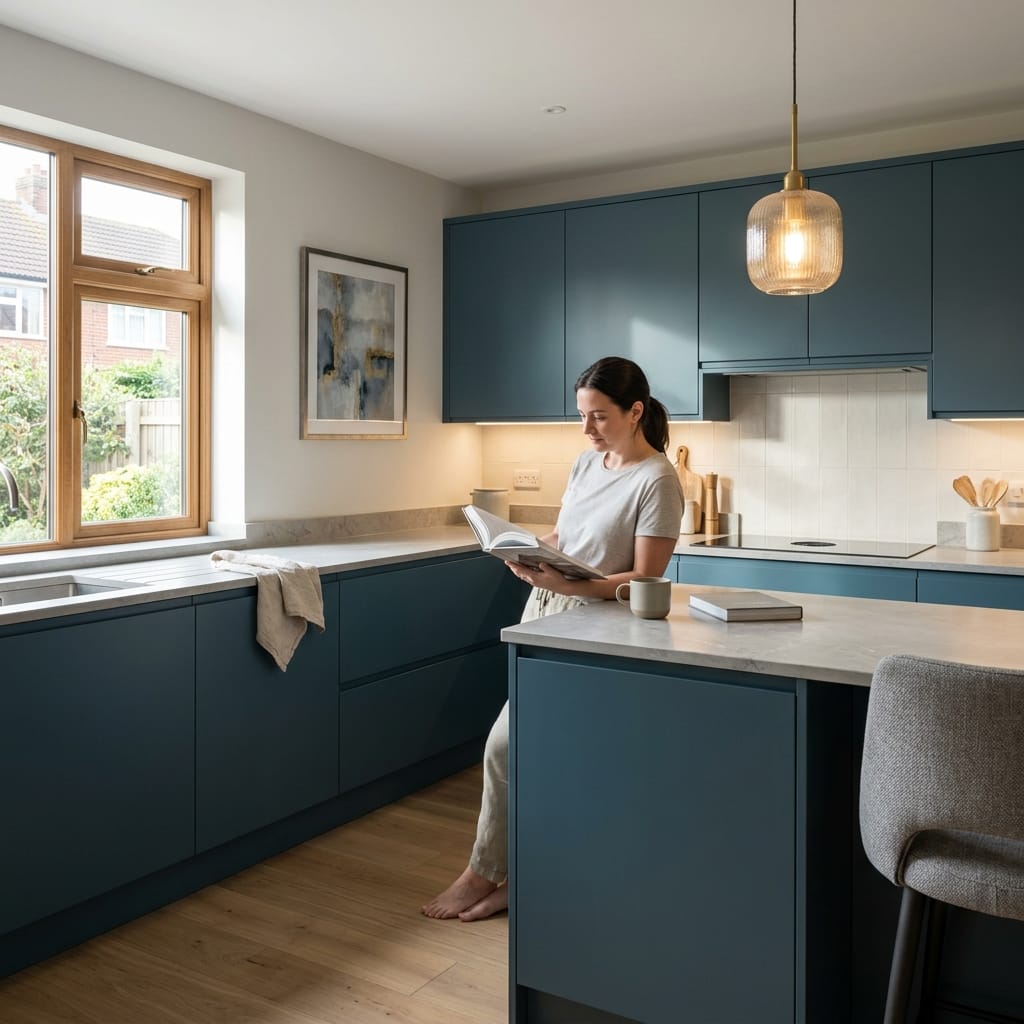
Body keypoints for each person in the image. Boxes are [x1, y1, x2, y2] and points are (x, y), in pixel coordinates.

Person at [421, 356, 684, 922]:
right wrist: (527, 547)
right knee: (537, 753)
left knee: (512, 748)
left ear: (635, 411)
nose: (588, 429)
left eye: (599, 416)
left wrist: (569, 584)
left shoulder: (657, 480)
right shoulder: (586, 464)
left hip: (598, 630)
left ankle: (484, 873)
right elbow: (568, 534)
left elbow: (645, 578)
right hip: (545, 614)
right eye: (582, 415)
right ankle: (520, 874)